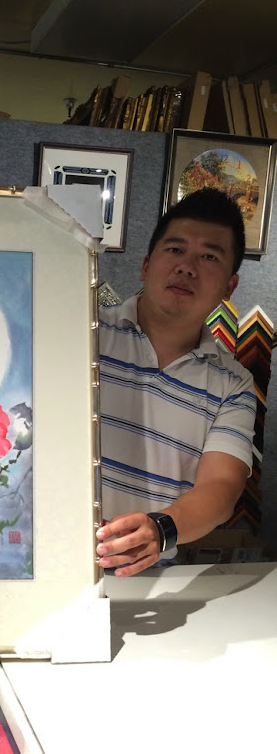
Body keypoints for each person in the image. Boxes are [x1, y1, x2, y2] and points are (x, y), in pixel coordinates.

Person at [96, 187, 256, 577]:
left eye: (209, 256)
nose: (187, 267)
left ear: (229, 287)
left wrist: (160, 529)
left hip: (143, 577)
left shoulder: (234, 385)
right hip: (40, 560)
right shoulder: (86, 332)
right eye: (175, 249)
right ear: (146, 265)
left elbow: (221, 488)